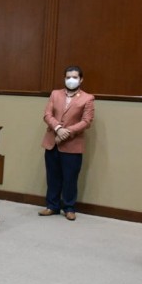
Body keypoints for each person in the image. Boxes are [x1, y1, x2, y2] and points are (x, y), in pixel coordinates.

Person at [38, 65, 95, 221]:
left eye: (75, 77)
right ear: (64, 78)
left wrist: (66, 132)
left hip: (73, 144)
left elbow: (86, 121)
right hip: (52, 142)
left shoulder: (87, 98)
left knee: (70, 178)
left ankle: (69, 208)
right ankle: (52, 206)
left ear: (81, 79)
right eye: (68, 77)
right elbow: (47, 115)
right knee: (52, 177)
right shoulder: (55, 94)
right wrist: (58, 128)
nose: (71, 80)